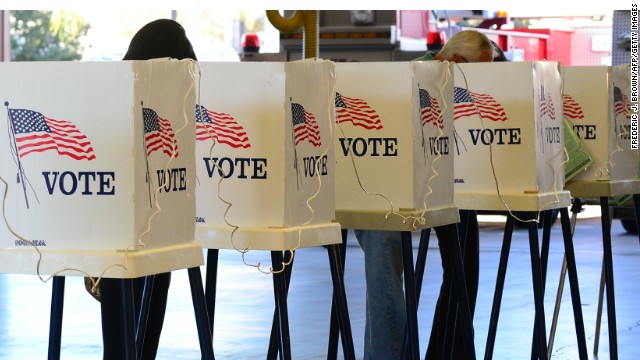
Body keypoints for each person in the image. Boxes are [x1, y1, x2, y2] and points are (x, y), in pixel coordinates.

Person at [354, 30, 493, 360]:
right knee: (383, 247)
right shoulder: (409, 78)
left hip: (444, 185)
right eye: (481, 69)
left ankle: (449, 351)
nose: (485, 79)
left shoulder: (456, 82)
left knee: (464, 261)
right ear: (457, 62)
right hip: (388, 188)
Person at [98, 18, 197, 360]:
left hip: (130, 229)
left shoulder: (117, 95)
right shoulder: (145, 101)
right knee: (138, 335)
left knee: (123, 339)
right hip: (145, 228)